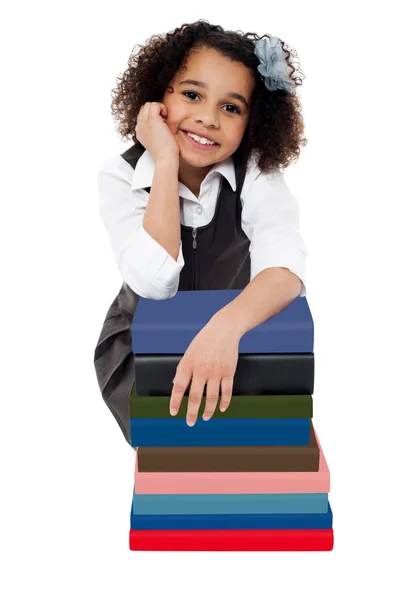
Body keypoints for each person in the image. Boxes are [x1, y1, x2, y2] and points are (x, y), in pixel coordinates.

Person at [94, 19, 309, 446]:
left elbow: (286, 270)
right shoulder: (122, 175)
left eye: (231, 107)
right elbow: (154, 281)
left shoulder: (255, 174)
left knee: (241, 462)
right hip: (142, 347)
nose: (208, 118)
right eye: (192, 95)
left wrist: (225, 328)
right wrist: (166, 161)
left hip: (238, 339)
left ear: (253, 122)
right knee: (177, 464)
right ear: (159, 98)